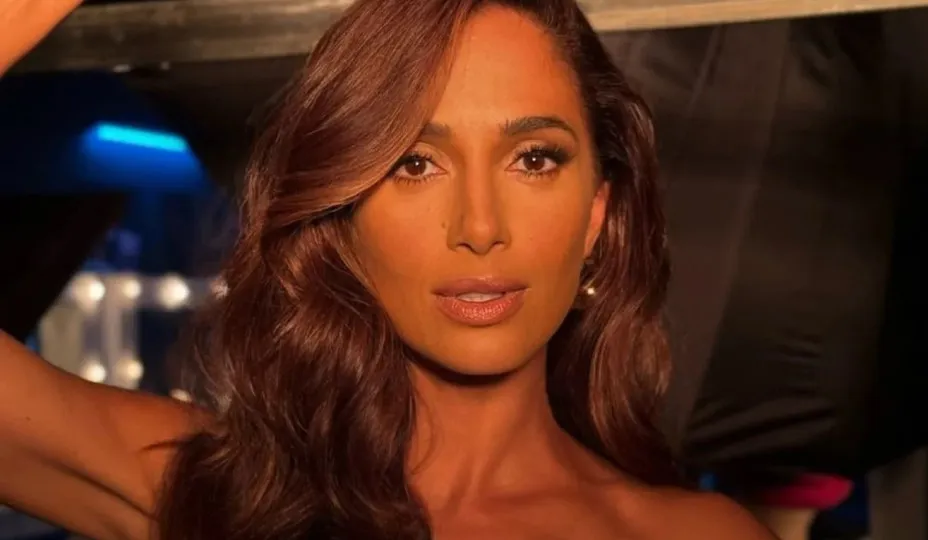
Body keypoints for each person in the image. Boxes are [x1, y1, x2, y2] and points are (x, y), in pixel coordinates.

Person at [0, 0, 777, 539]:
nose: (480, 228)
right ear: (343, 218)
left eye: (534, 159)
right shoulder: (226, 493)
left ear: (596, 219)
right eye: (414, 163)